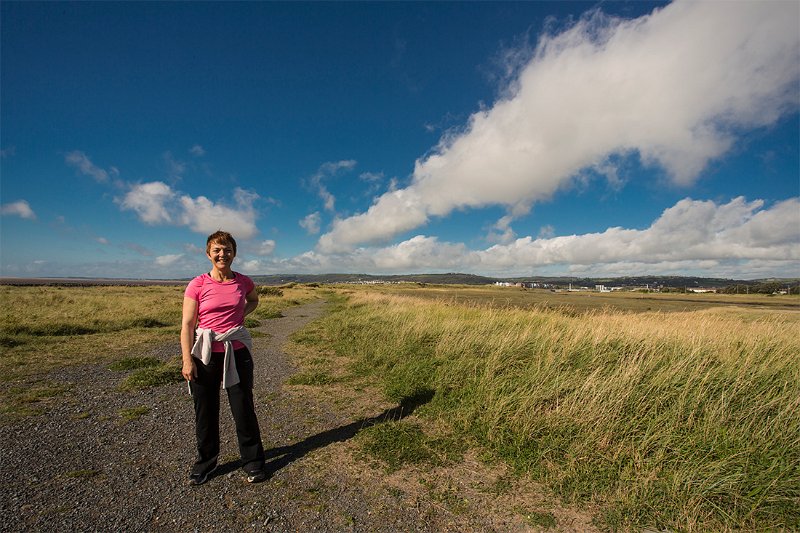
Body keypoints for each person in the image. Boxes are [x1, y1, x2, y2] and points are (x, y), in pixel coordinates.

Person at [180, 230, 267, 485]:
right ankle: (205, 463)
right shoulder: (197, 284)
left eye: (227, 249)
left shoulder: (243, 281)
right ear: (208, 254)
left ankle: (252, 462)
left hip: (237, 350)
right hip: (205, 353)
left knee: (243, 408)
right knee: (205, 410)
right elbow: (187, 324)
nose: (222, 254)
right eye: (217, 250)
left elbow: (253, 300)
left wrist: (240, 317)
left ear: (234, 253)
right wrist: (187, 359)